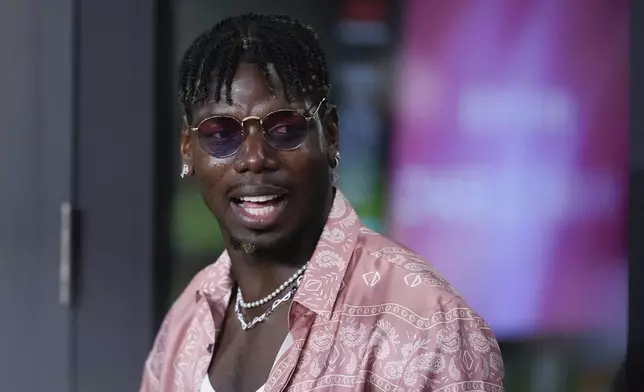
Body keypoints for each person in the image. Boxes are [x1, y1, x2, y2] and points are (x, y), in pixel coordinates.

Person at [139, 13, 504, 392]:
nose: (253, 158)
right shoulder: (189, 319)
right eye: (221, 133)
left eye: (284, 129)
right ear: (188, 148)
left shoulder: (428, 328)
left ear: (330, 136)